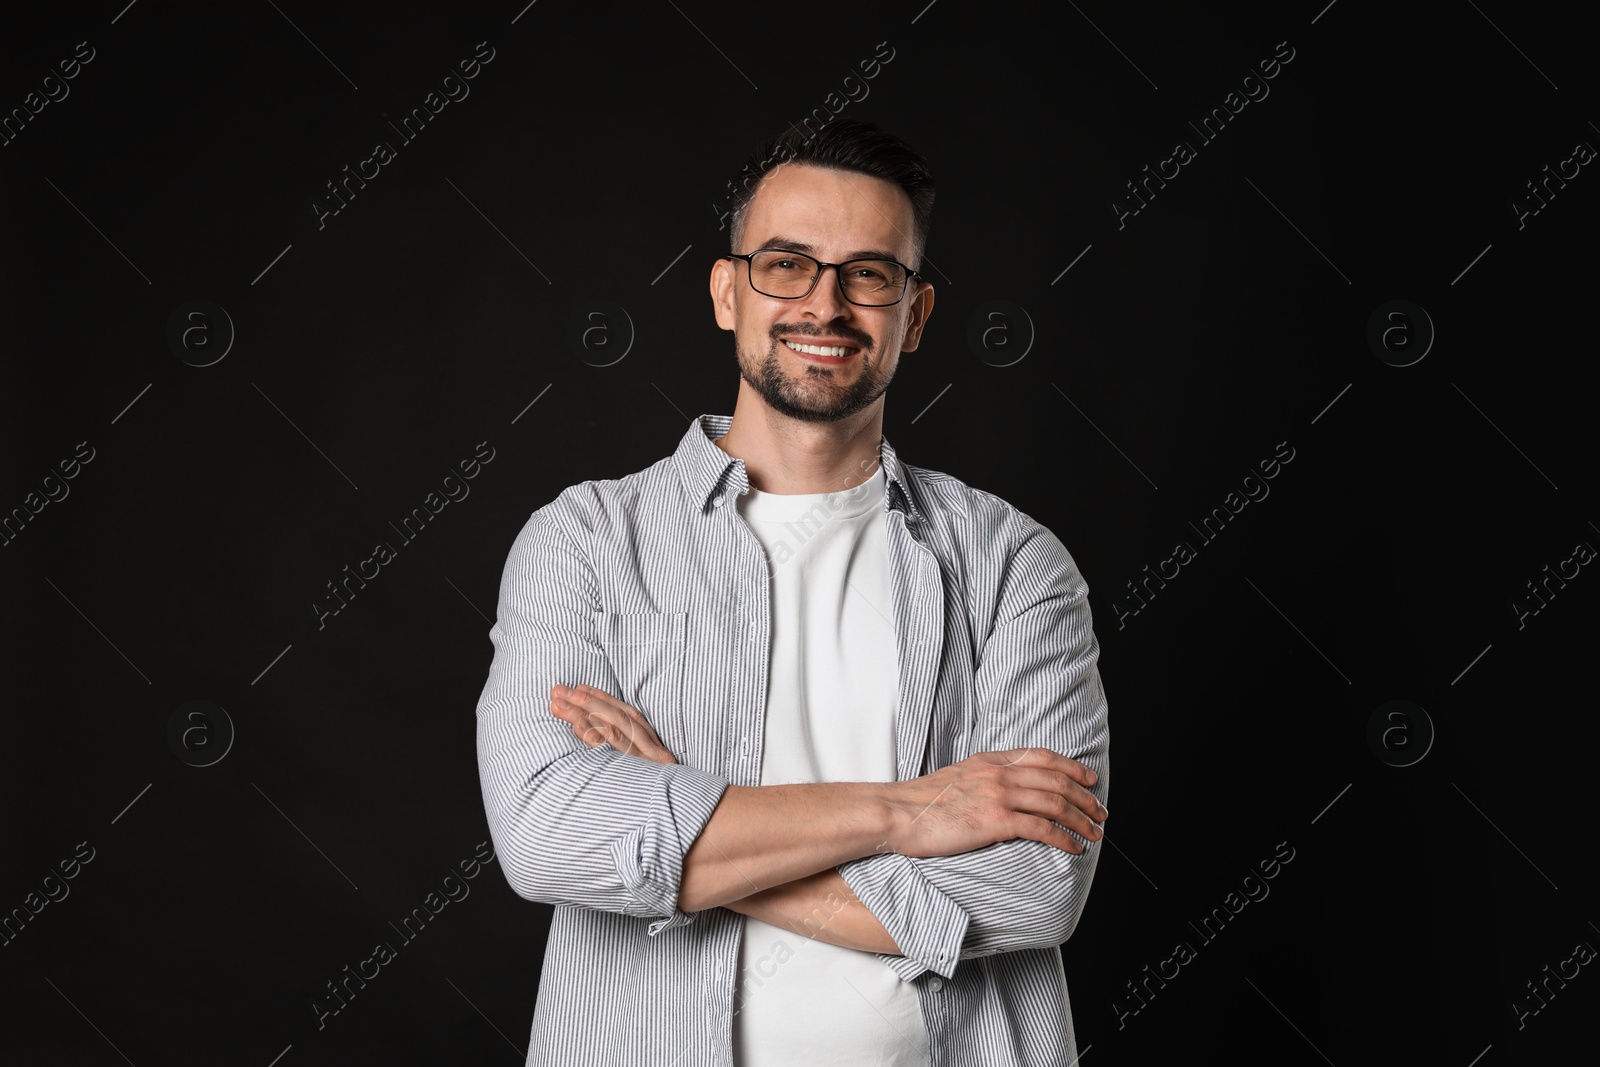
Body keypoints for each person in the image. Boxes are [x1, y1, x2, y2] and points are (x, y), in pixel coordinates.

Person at [476, 117, 1110, 1067]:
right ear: (728, 291)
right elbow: (546, 838)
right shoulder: (587, 543)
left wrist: (683, 842)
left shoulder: (1014, 563)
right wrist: (908, 811)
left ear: (916, 313)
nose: (826, 304)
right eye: (785, 264)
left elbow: (1034, 887)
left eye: (869, 273)